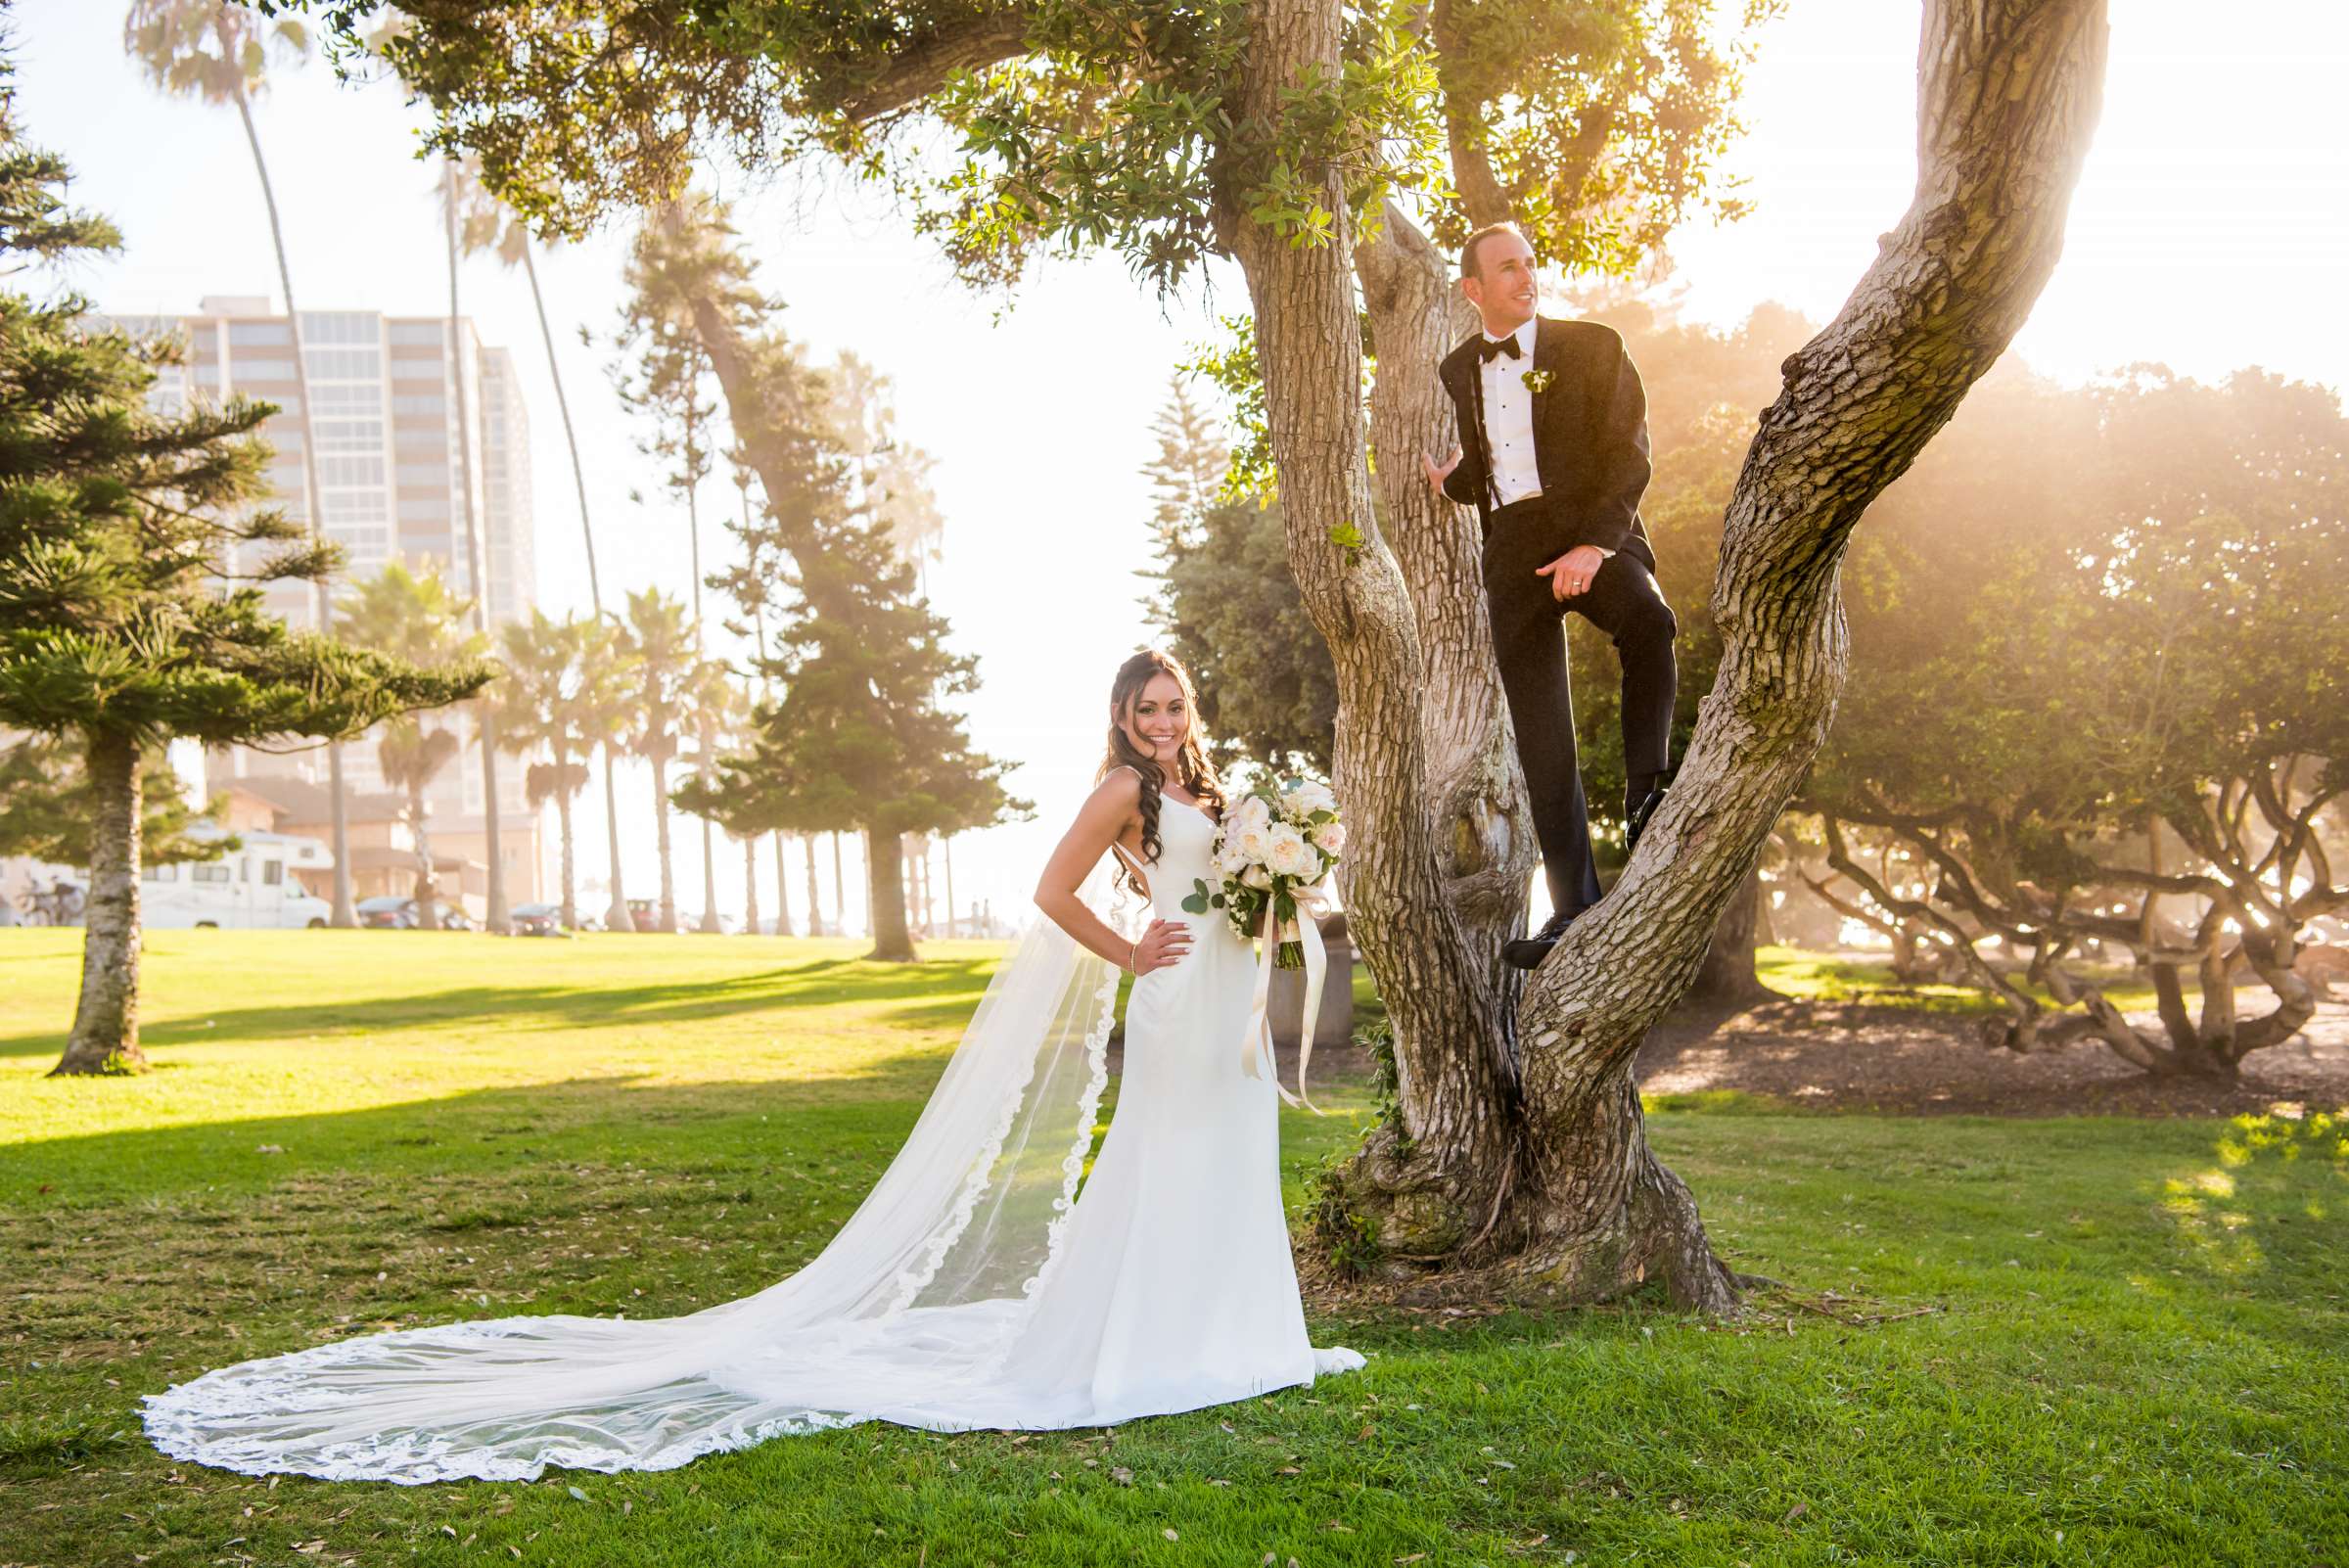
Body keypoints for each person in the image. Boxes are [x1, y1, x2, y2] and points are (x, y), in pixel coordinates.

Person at [143, 649, 1361, 1484]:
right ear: (1121, 718)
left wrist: (1272, 896)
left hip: (1230, 997)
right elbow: (1049, 893)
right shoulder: (1119, 791)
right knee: (1158, 1162)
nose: (1162, 721)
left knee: (1232, 1147)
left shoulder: (1210, 785)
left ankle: (1238, 1334)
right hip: (1166, 993)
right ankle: (1142, 1340)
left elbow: (1239, 881)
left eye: (1173, 705)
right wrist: (1131, 946)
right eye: (1145, 709)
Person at [1421, 220, 1680, 969]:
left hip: (1596, 529)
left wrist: (1595, 547)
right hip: (1513, 557)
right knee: (1542, 740)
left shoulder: (1596, 346)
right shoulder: (1458, 368)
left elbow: (1629, 455)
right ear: (1474, 289)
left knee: (1651, 622)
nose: (1524, 276)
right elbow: (1502, 456)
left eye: (1529, 263)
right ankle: (1573, 909)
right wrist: (1455, 482)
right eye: (1506, 268)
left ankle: (1647, 794)